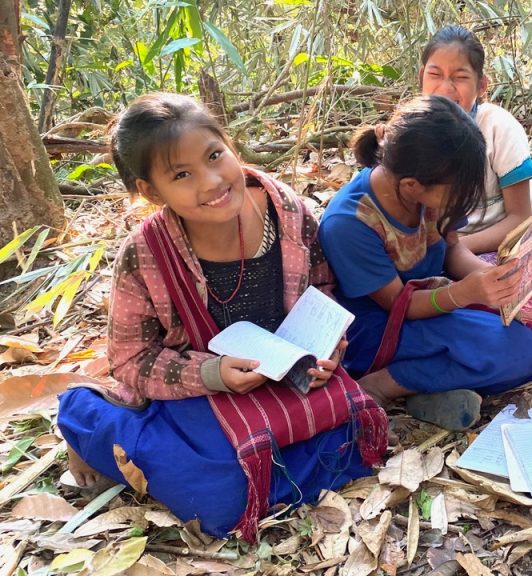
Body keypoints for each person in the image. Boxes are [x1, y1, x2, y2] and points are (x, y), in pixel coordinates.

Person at [57, 93, 387, 541]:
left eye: (215, 155)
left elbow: (321, 288)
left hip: (284, 377)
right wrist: (212, 373)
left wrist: (327, 346)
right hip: (199, 387)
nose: (212, 181)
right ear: (152, 192)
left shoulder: (284, 210)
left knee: (361, 443)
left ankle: (246, 467)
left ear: (229, 145)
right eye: (182, 174)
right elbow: (131, 359)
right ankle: (88, 418)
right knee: (222, 501)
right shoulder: (144, 254)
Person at [319, 96, 532, 430]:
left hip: (439, 297)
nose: (462, 200)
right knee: (505, 346)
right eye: (456, 192)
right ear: (411, 186)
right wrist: (466, 294)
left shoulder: (431, 186)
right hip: (383, 325)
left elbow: (453, 250)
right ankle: (389, 382)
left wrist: (499, 278)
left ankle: (437, 382)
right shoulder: (349, 223)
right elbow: (400, 305)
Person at [418, 25, 532, 261]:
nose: (444, 88)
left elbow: (521, 217)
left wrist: (454, 248)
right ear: (421, 76)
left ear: (481, 85)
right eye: (435, 75)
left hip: (496, 248)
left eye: (460, 77)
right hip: (429, 250)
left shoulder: (498, 127)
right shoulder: (411, 130)